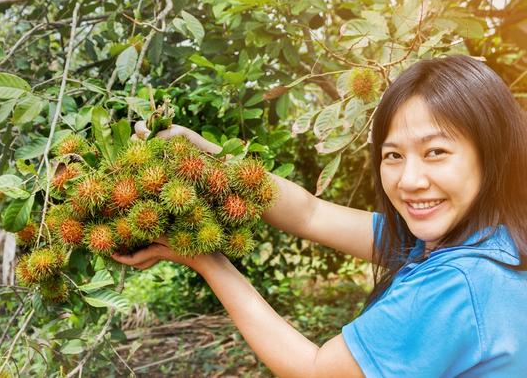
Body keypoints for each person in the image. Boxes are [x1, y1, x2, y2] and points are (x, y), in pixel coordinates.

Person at [112, 55, 527, 377]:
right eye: (393, 156)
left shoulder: (456, 283)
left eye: (436, 152)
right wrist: (209, 158)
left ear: (492, 156)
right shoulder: (492, 241)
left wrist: (203, 259)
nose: (410, 180)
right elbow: (310, 214)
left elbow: (316, 370)